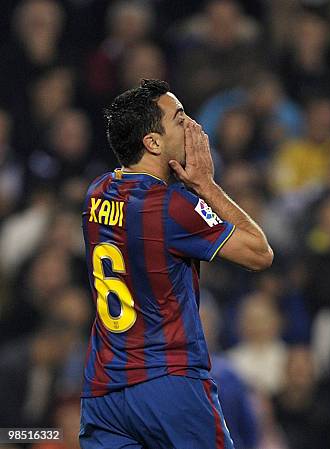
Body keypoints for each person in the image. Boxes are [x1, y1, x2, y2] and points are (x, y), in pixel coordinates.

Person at [78, 79, 273, 449]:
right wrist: (207, 186)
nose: (194, 128)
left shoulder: (96, 193)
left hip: (103, 392)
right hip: (169, 385)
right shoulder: (174, 206)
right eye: (181, 119)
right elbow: (260, 253)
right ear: (152, 143)